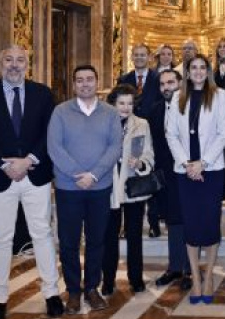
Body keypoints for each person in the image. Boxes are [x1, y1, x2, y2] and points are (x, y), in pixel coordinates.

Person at [0, 45, 63, 319]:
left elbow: (51, 131)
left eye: (20, 60)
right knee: (0, 239)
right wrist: (5, 163)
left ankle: (52, 293)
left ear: (28, 64)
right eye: (8, 60)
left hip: (36, 175)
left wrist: (29, 160)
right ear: (0, 64)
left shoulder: (43, 93)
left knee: (42, 235)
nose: (14, 65)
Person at [47, 65, 122, 313]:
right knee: (68, 242)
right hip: (69, 188)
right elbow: (54, 147)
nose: (85, 84)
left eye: (90, 79)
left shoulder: (110, 113)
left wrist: (94, 174)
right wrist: (77, 174)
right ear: (74, 84)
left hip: (99, 187)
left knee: (96, 240)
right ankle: (73, 291)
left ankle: (91, 287)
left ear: (97, 82)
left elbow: (115, 147)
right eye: (80, 80)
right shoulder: (60, 112)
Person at [166, 55, 225, 304]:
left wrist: (202, 163)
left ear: (208, 71)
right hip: (185, 171)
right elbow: (171, 134)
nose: (199, 71)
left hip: (211, 170)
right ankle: (194, 276)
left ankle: (209, 276)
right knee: (191, 225)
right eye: (194, 67)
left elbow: (223, 133)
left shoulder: (220, 95)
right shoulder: (176, 97)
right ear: (187, 71)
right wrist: (187, 163)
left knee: (210, 223)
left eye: (203, 67)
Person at [102, 84, 156, 295]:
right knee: (109, 236)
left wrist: (141, 163)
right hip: (110, 187)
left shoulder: (142, 124)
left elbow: (149, 154)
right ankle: (108, 280)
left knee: (135, 235)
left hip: (133, 186)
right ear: (113, 104)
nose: (125, 108)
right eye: (121, 103)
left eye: (130, 103)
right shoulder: (104, 123)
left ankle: (136, 278)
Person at [150, 70, 193, 290]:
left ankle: (189, 268)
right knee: (171, 220)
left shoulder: (190, 107)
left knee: (186, 220)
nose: (166, 87)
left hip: (186, 172)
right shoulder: (155, 109)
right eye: (162, 84)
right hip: (164, 175)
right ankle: (174, 267)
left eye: (170, 82)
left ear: (180, 84)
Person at [117, 44, 160, 119]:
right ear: (132, 57)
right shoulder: (123, 80)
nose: (139, 57)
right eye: (136, 55)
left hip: (153, 126)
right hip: (130, 125)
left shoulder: (158, 79)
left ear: (149, 57)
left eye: (142, 55)